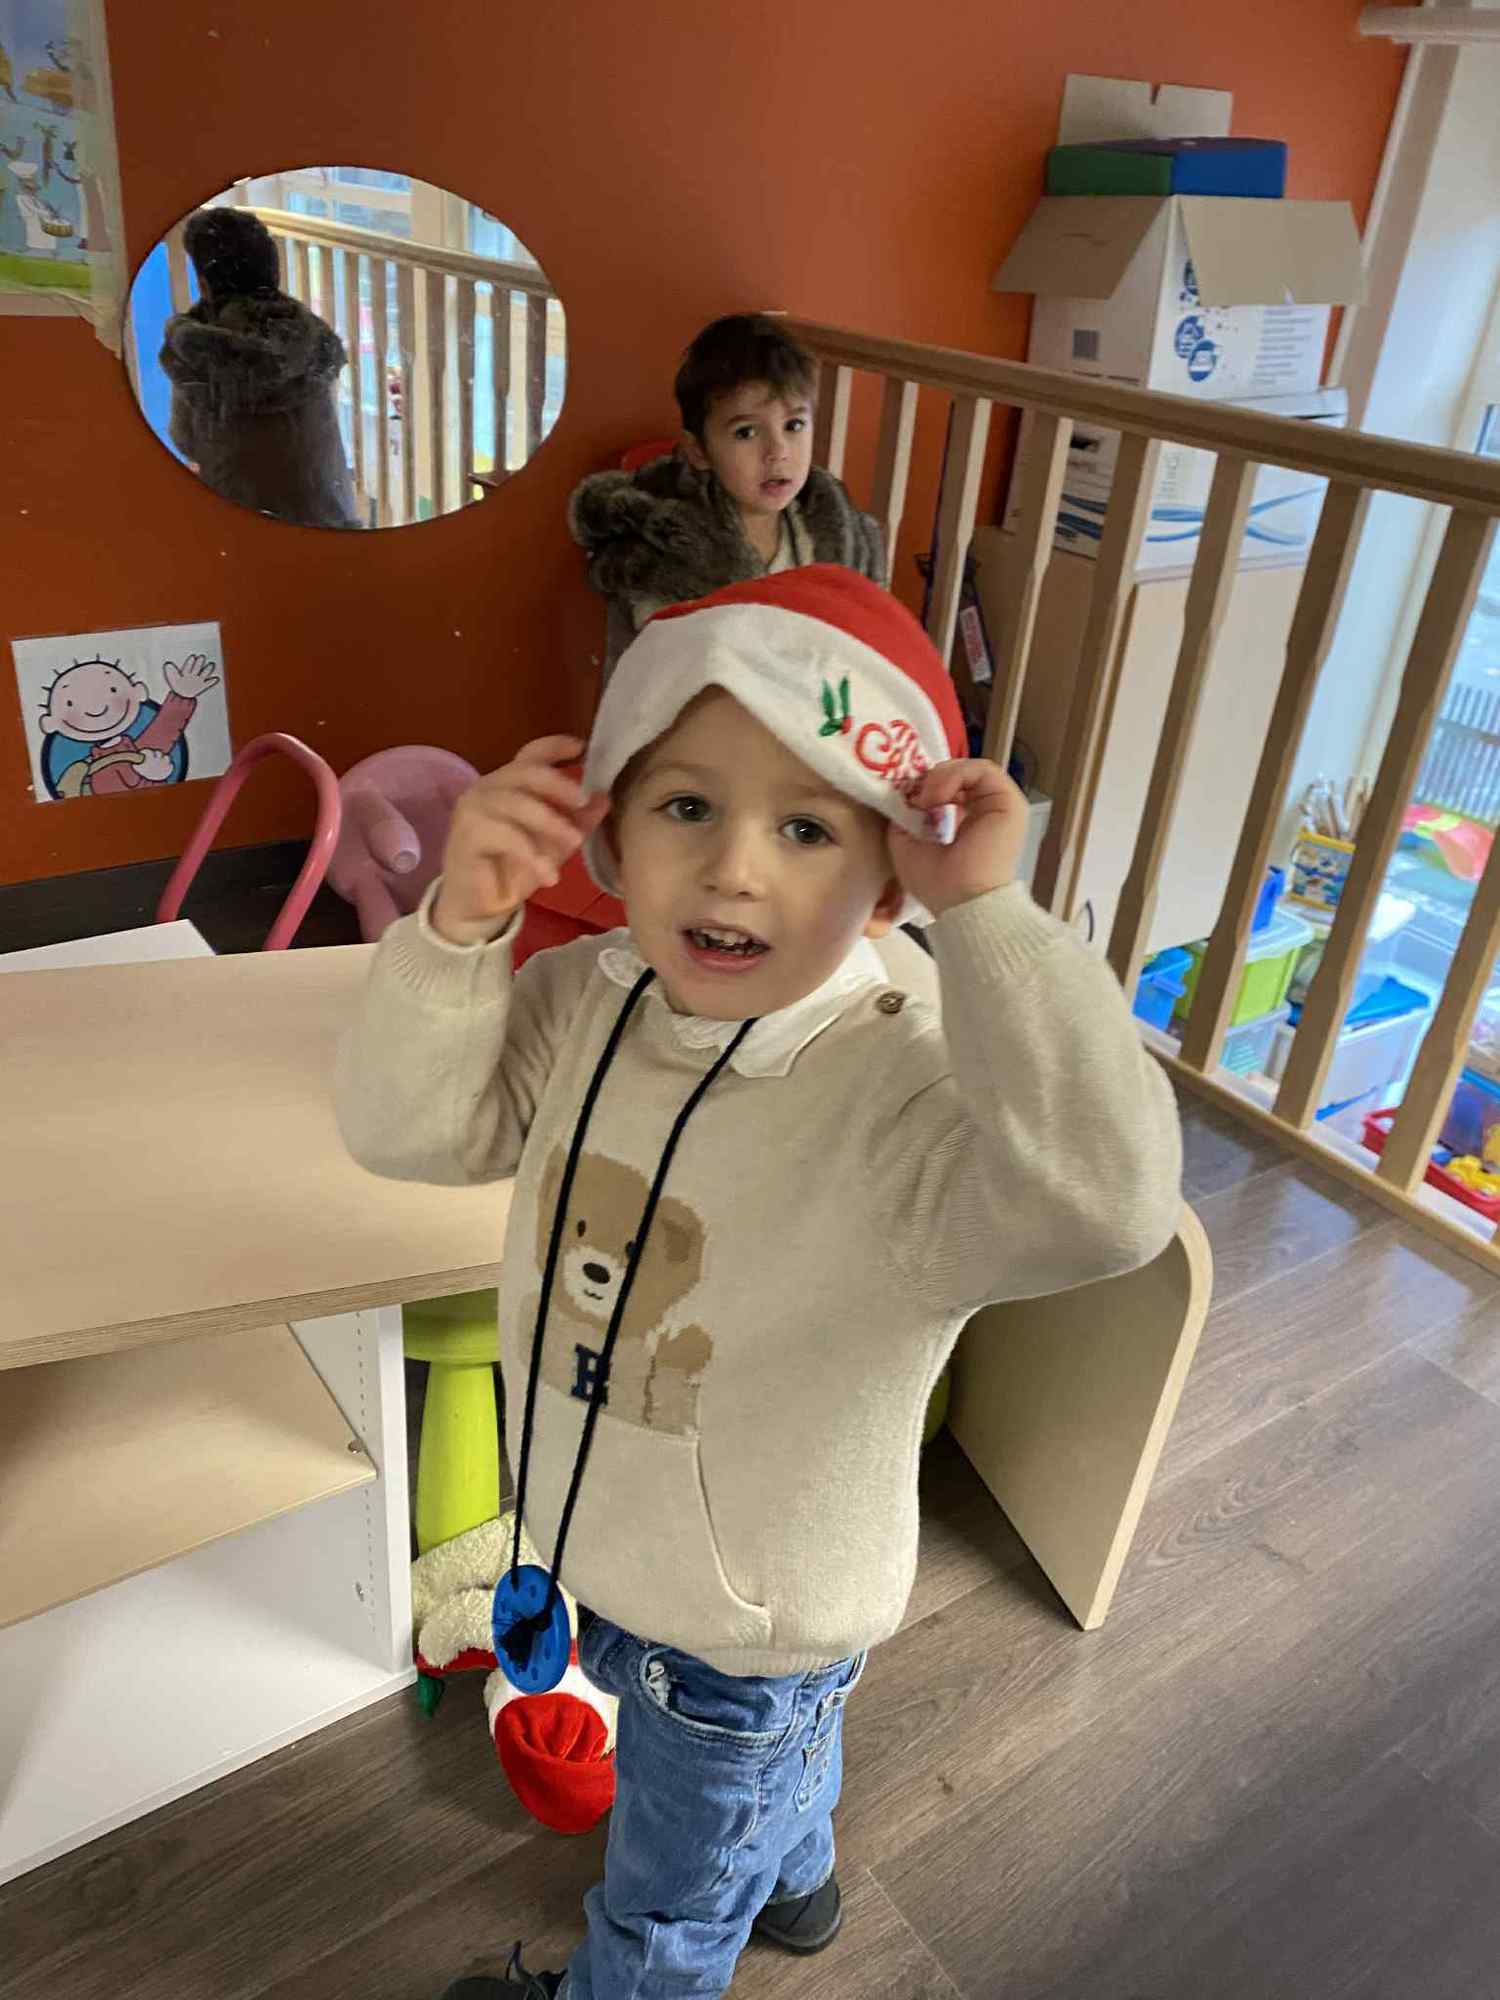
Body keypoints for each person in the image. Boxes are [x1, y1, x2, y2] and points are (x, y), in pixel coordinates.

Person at [335, 566, 1182, 2000]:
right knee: (766, 1784)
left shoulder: (906, 1089)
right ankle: (794, 1871)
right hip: (614, 1546)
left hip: (744, 1629)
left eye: (806, 827)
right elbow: (407, 1130)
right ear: (609, 833)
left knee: (666, 1911)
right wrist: (459, 931)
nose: (735, 868)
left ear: (890, 876)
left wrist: (988, 917)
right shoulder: (588, 999)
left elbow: (1110, 1200)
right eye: (686, 805)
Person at [569, 314, 885, 678]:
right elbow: (649, 683)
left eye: (793, 425)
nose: (778, 451)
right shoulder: (660, 556)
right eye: (746, 432)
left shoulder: (840, 540)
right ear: (699, 451)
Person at [158, 206, 360, 530]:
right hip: (329, 518)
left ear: (204, 284)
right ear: (273, 273)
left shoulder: (199, 348)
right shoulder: (306, 335)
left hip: (243, 526)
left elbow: (186, 441)